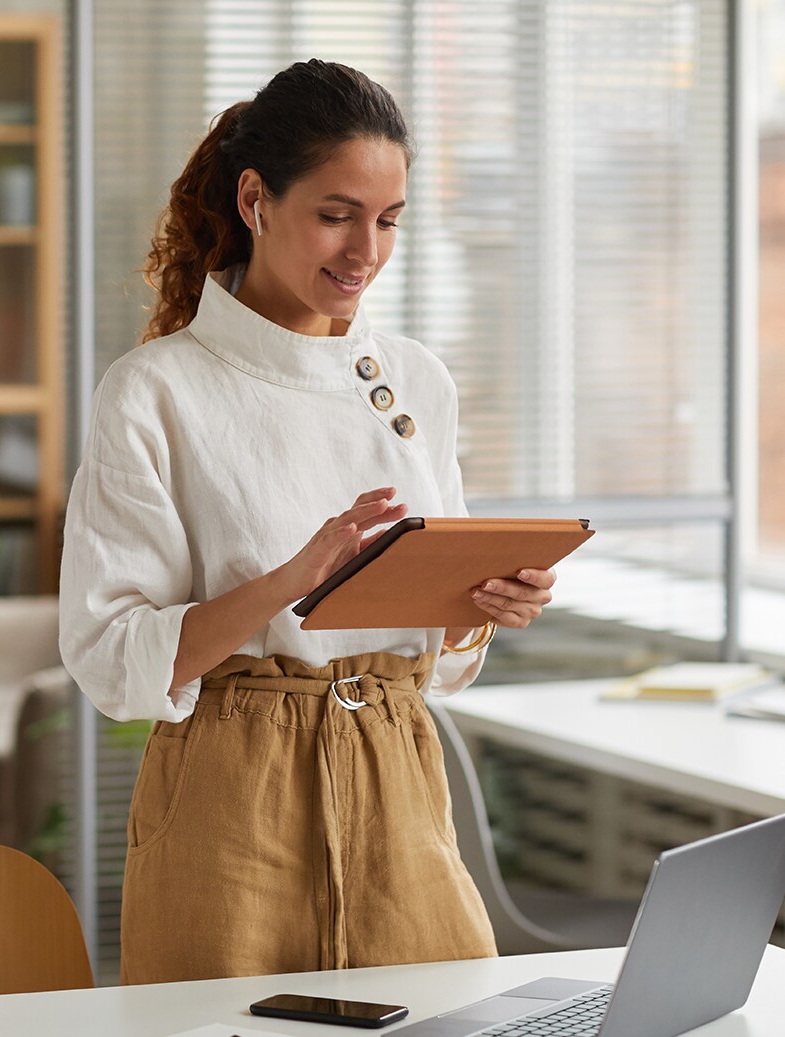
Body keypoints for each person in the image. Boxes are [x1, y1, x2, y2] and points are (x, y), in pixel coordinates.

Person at [58, 59, 557, 985]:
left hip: (399, 777)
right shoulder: (155, 391)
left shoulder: (418, 379)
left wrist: (476, 606)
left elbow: (440, 662)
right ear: (255, 198)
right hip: (228, 795)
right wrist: (294, 578)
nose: (366, 249)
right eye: (336, 213)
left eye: (389, 220)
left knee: (453, 1010)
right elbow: (112, 658)